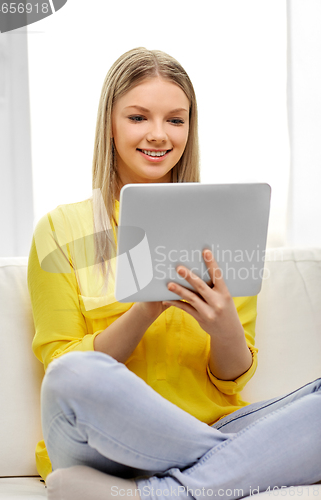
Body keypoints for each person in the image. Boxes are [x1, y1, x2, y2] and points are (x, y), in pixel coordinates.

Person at [27, 47, 321, 500]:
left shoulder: (224, 223)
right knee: (73, 375)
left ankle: (163, 492)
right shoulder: (59, 231)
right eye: (139, 117)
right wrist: (145, 310)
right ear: (110, 123)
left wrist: (222, 324)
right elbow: (60, 370)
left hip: (207, 422)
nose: (159, 135)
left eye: (176, 120)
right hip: (98, 441)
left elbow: (232, 378)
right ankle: (238, 461)